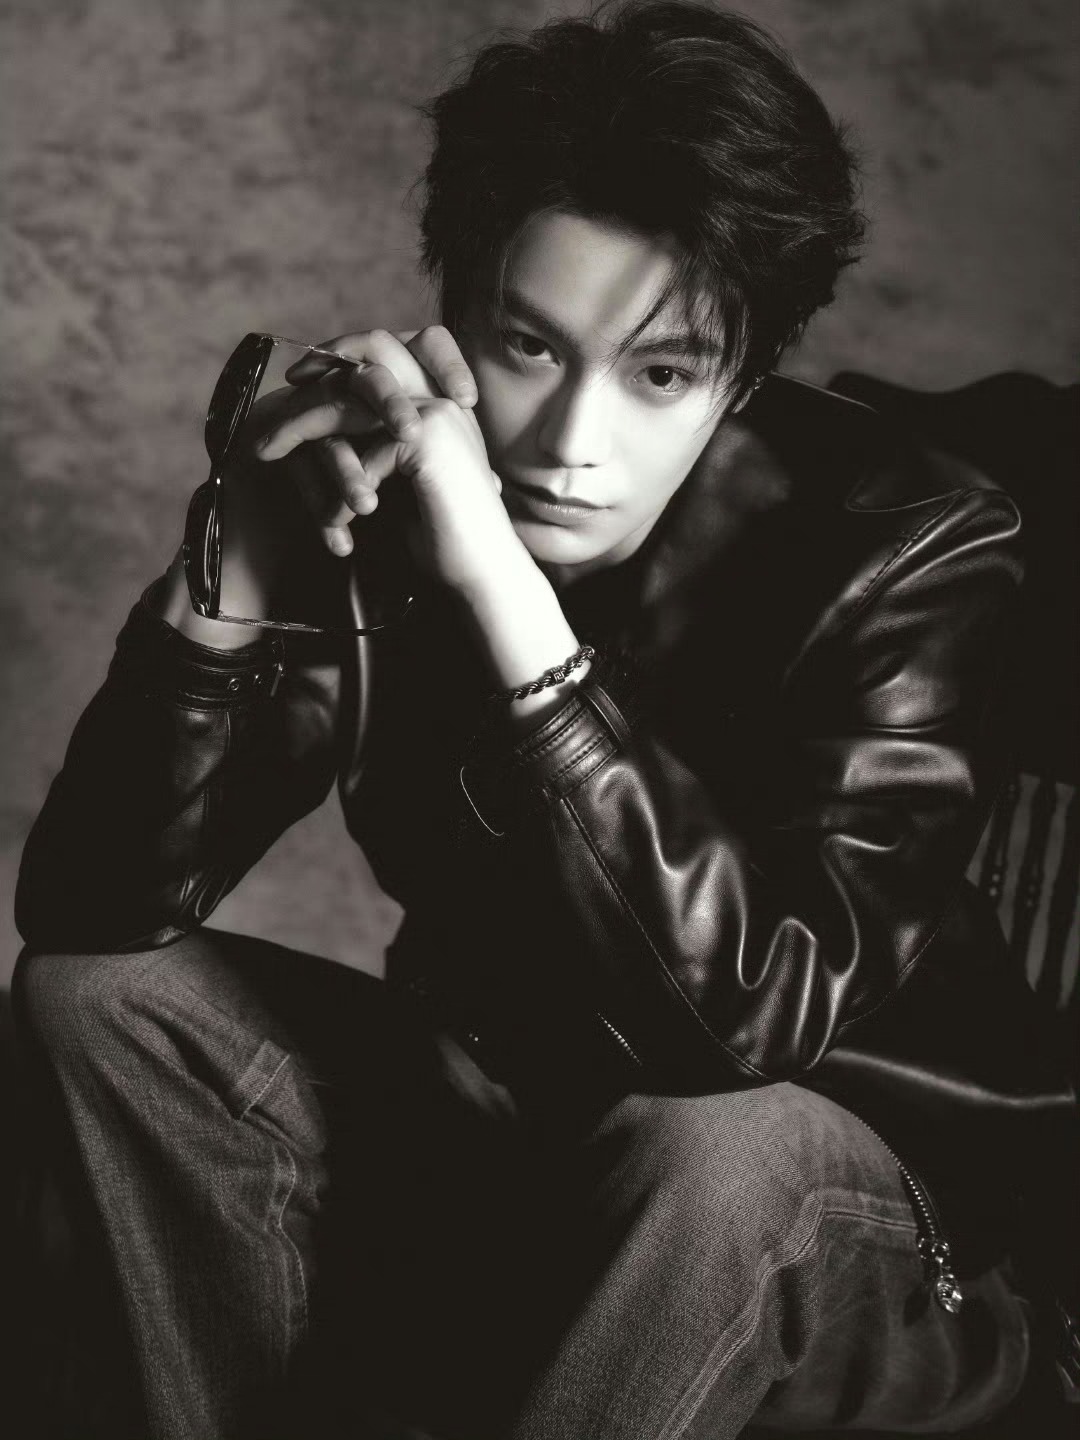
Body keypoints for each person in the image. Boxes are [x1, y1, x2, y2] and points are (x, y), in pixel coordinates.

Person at [12, 2, 1075, 1437]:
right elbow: (90, 910)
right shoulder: (398, 489)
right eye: (529, 347)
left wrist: (507, 598)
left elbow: (746, 1026)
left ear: (742, 376)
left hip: (864, 1232)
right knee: (102, 1007)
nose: (574, 445)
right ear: (457, 327)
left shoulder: (910, 546)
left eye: (661, 374)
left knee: (719, 1156)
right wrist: (240, 570)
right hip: (526, 1140)